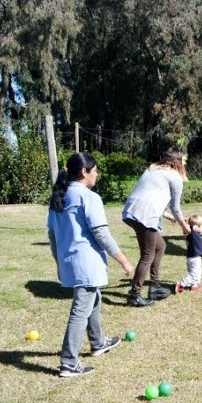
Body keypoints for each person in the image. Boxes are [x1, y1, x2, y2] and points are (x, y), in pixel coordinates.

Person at [48, 153, 134, 377]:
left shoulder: (59, 197)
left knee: (93, 298)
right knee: (80, 310)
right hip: (86, 263)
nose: (97, 174)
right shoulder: (88, 197)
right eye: (94, 170)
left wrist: (59, 263)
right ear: (85, 172)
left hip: (70, 262)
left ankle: (98, 342)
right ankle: (68, 362)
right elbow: (100, 234)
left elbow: (52, 236)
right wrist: (124, 260)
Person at [122, 147, 191, 307]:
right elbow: (175, 206)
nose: (185, 163)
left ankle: (154, 286)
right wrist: (183, 225)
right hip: (146, 216)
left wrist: (170, 218)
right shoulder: (174, 177)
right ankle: (134, 294)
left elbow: (149, 197)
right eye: (184, 160)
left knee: (160, 246)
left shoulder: (151, 170)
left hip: (131, 212)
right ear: (177, 161)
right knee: (147, 255)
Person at [175, 215, 202, 293]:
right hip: (194, 258)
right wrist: (189, 226)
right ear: (196, 227)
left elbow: (199, 246)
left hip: (191, 257)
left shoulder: (194, 235)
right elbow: (187, 229)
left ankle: (194, 286)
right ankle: (181, 283)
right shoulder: (193, 233)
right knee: (194, 274)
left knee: (196, 273)